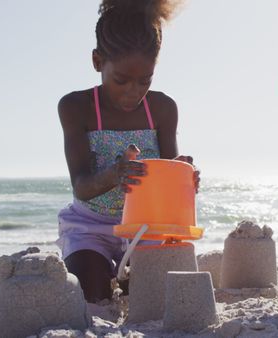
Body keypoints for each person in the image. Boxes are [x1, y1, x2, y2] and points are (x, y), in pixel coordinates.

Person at [56, 0, 199, 303]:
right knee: (90, 291)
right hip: (89, 227)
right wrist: (114, 174)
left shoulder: (162, 108)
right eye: (121, 80)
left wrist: (184, 177)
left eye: (145, 80)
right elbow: (81, 187)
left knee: (154, 298)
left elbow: (168, 169)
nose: (133, 91)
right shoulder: (76, 107)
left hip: (146, 228)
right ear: (97, 61)